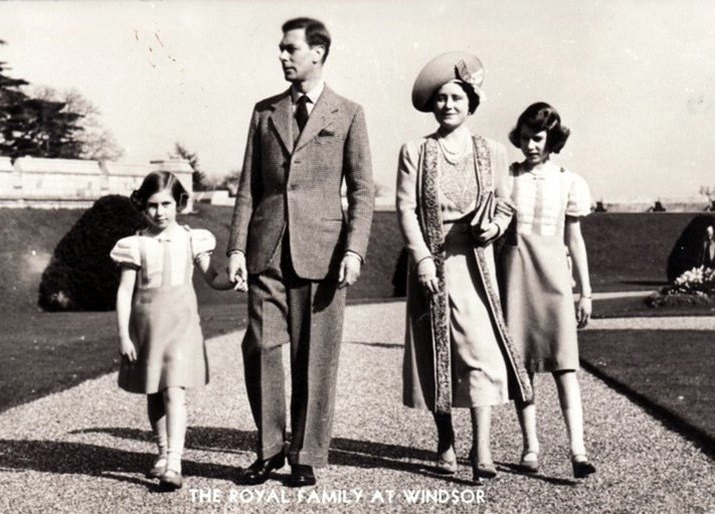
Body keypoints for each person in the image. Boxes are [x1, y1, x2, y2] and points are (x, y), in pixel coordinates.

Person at [226, 17, 373, 487]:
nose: (282, 56)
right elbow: (247, 188)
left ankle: (305, 455)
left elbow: (362, 191)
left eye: (290, 48)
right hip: (266, 251)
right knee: (261, 347)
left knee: (315, 357)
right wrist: (235, 249)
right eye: (281, 48)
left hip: (324, 254)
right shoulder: (264, 112)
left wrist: (354, 250)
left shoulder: (348, 113)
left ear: (318, 52)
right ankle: (269, 450)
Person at [396, 52, 532, 480]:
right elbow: (405, 209)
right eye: (441, 98)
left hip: (477, 266)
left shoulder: (492, 151)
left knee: (481, 354)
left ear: (471, 103)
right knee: (438, 354)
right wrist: (421, 258)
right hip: (431, 266)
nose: (448, 105)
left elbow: (505, 202)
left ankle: (482, 449)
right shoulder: (416, 151)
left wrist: (495, 226)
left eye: (456, 97)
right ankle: (446, 440)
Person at [110, 171, 241, 491]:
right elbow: (125, 292)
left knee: (174, 390)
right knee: (154, 390)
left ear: (179, 203)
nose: (160, 212)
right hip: (147, 326)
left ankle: (174, 462)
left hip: (182, 325)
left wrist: (233, 280)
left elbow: (213, 278)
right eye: (153, 205)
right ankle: (162, 452)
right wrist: (124, 335)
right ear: (143, 206)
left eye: (166, 204)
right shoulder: (135, 244)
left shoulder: (192, 238)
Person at [499, 102, 597, 478]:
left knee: (565, 366)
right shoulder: (508, 177)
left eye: (537, 138)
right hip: (516, 277)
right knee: (522, 367)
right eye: (525, 138)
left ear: (551, 139)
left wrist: (585, 292)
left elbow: (575, 240)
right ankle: (530, 447)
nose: (530, 146)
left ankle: (578, 451)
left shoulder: (569, 182)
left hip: (555, 279)